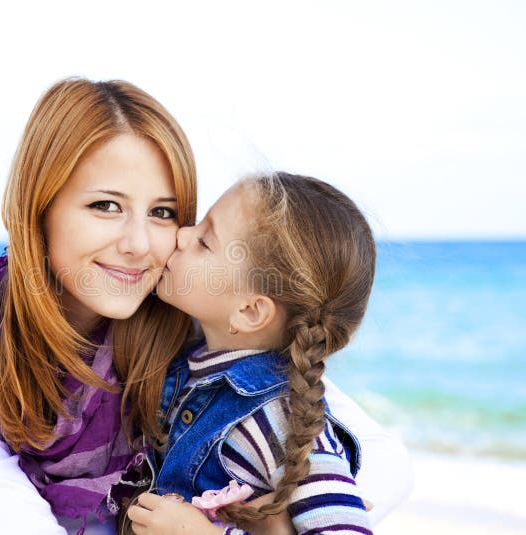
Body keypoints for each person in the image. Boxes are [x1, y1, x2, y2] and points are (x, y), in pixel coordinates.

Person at [0, 79, 412, 535]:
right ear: (39, 206)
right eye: (106, 206)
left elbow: (382, 462)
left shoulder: (207, 330)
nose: (141, 244)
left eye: (164, 212)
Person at [126, 173, 377, 534]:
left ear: (249, 312)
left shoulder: (278, 420)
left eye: (204, 241)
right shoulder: (190, 362)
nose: (182, 234)